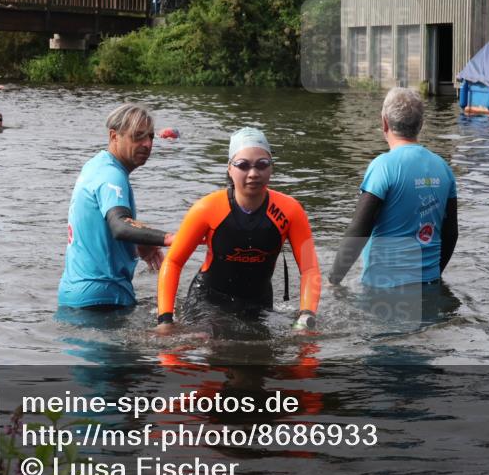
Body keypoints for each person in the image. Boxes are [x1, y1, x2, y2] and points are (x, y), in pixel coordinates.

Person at [156, 127, 321, 334]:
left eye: (262, 165)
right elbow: (173, 261)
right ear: (229, 169)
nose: (253, 173)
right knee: (214, 341)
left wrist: (307, 315)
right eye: (243, 165)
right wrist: (165, 319)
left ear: (271, 167)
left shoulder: (290, 211)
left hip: (258, 301)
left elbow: (309, 269)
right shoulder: (207, 209)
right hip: (208, 300)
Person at [329, 88, 458, 290]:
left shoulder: (383, 166)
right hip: (429, 283)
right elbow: (451, 234)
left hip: (384, 288)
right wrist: (433, 273)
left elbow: (359, 229)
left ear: (384, 123)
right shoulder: (443, 168)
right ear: (421, 124)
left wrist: (333, 280)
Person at [59, 104, 174, 309]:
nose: (147, 144)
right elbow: (119, 226)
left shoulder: (96, 165)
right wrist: (170, 238)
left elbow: (99, 225)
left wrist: (138, 243)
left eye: (150, 137)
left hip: (73, 295)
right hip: (104, 298)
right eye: (138, 136)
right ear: (114, 136)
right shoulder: (111, 175)